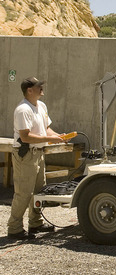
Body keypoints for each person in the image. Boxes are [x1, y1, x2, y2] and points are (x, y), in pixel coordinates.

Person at [7, 77, 66, 240]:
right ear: (29, 90)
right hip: (26, 155)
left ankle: (36, 223)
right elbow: (25, 137)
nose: (41, 88)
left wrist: (57, 136)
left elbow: (46, 128)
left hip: (38, 153)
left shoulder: (41, 106)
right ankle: (14, 228)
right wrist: (51, 139)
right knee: (24, 192)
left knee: (39, 190)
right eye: (38, 86)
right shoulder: (22, 109)